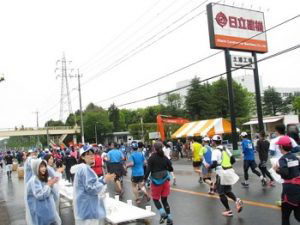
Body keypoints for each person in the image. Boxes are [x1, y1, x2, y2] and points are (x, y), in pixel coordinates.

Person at [73, 145, 115, 225]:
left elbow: (92, 183)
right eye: (88, 154)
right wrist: (104, 181)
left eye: (92, 153)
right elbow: (91, 189)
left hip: (85, 209)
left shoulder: (85, 168)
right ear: (82, 157)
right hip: (88, 210)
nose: (92, 156)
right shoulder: (84, 169)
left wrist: (103, 179)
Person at [209, 135, 243, 217]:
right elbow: (233, 160)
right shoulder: (225, 149)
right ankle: (237, 200)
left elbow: (213, 164)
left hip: (221, 173)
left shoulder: (215, 151)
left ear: (213, 142)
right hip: (229, 171)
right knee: (227, 191)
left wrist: (208, 167)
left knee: (221, 193)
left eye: (212, 141)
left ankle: (228, 210)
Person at [144, 141, 174, 225]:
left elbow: (148, 170)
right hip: (165, 181)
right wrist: (166, 168)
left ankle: (162, 213)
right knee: (165, 201)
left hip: (156, 182)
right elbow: (171, 168)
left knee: (156, 199)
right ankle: (170, 219)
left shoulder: (152, 157)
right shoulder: (164, 157)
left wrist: (144, 179)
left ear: (154, 148)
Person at [273, 136, 300, 225]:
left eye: (279, 146)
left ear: (281, 147)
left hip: (289, 192)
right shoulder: (295, 157)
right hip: (298, 188)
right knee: (298, 215)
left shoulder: (283, 159)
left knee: (285, 217)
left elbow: (285, 173)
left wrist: (276, 169)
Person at [25, 158, 61, 225]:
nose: (44, 168)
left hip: (49, 213)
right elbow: (40, 195)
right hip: (41, 215)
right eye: (41, 166)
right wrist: (49, 184)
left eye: (44, 166)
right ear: (36, 168)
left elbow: (54, 195)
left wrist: (52, 184)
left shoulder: (43, 178)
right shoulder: (34, 180)